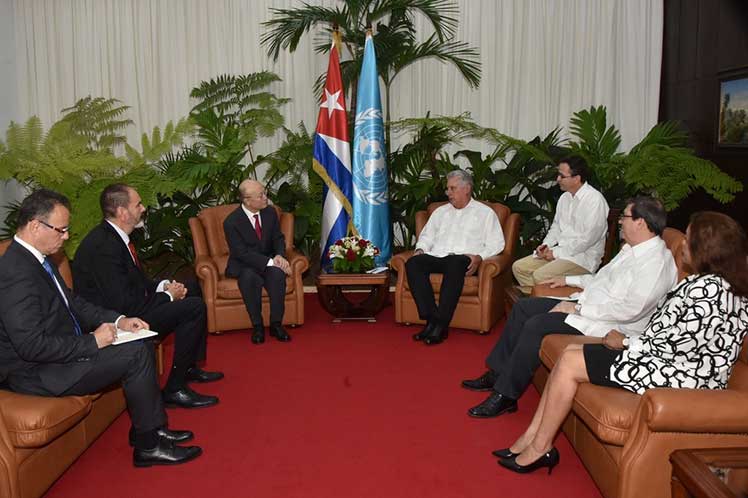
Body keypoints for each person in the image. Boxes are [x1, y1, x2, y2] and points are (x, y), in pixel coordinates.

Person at [496, 211, 748, 474]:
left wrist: (627, 342)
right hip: (667, 362)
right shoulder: (721, 285)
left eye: (689, 237)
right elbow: (676, 338)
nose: (683, 243)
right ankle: (533, 440)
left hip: (678, 376)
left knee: (571, 361)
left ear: (706, 247)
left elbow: (674, 345)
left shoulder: (707, 290)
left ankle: (539, 446)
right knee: (571, 353)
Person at [0, 189, 201, 466]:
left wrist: (119, 321)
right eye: (61, 230)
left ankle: (148, 429)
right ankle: (148, 447)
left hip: (60, 354)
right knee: (135, 354)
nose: (66, 236)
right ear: (36, 226)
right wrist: (93, 342)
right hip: (37, 373)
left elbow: (74, 304)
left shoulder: (37, 259)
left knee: (139, 339)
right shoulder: (14, 273)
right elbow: (31, 345)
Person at [462, 196, 677, 417]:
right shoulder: (630, 250)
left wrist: (577, 309)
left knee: (537, 325)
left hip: (612, 324)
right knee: (523, 308)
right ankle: (498, 373)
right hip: (589, 307)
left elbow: (632, 311)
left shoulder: (656, 263)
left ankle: (505, 395)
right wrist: (569, 281)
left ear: (641, 222)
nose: (621, 222)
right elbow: (601, 280)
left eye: (625, 217)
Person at [73, 184, 222, 409]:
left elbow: (138, 284)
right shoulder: (104, 247)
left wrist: (165, 286)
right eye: (138, 204)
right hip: (117, 320)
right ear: (123, 212)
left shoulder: (117, 237)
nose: (143, 208)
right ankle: (175, 389)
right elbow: (123, 304)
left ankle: (188, 367)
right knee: (194, 307)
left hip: (130, 305)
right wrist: (168, 297)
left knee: (192, 287)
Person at [406, 169, 505, 345]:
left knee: (455, 262)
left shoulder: (485, 213)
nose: (448, 193)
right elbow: (427, 236)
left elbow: (497, 243)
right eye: (448, 189)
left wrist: (479, 257)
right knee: (414, 262)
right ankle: (432, 319)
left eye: (452, 189)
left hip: (463, 259)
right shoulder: (440, 212)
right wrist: (421, 249)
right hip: (437, 255)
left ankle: (438, 325)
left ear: (466, 188)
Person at [512, 156, 609, 294]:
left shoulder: (594, 200)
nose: (557, 179)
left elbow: (586, 240)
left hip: (582, 259)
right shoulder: (565, 198)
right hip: (561, 253)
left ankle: (540, 302)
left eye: (562, 176)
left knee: (539, 276)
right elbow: (556, 227)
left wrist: (555, 253)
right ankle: (539, 300)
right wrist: (546, 246)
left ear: (576, 178)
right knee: (519, 267)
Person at [224, 179, 292, 345]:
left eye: (265, 193)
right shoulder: (232, 222)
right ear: (247, 200)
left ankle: (276, 324)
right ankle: (258, 326)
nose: (266, 198)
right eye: (261, 195)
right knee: (249, 277)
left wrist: (279, 255)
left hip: (269, 260)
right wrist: (271, 261)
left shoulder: (270, 212)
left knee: (277, 275)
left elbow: (278, 238)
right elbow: (241, 253)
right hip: (245, 263)